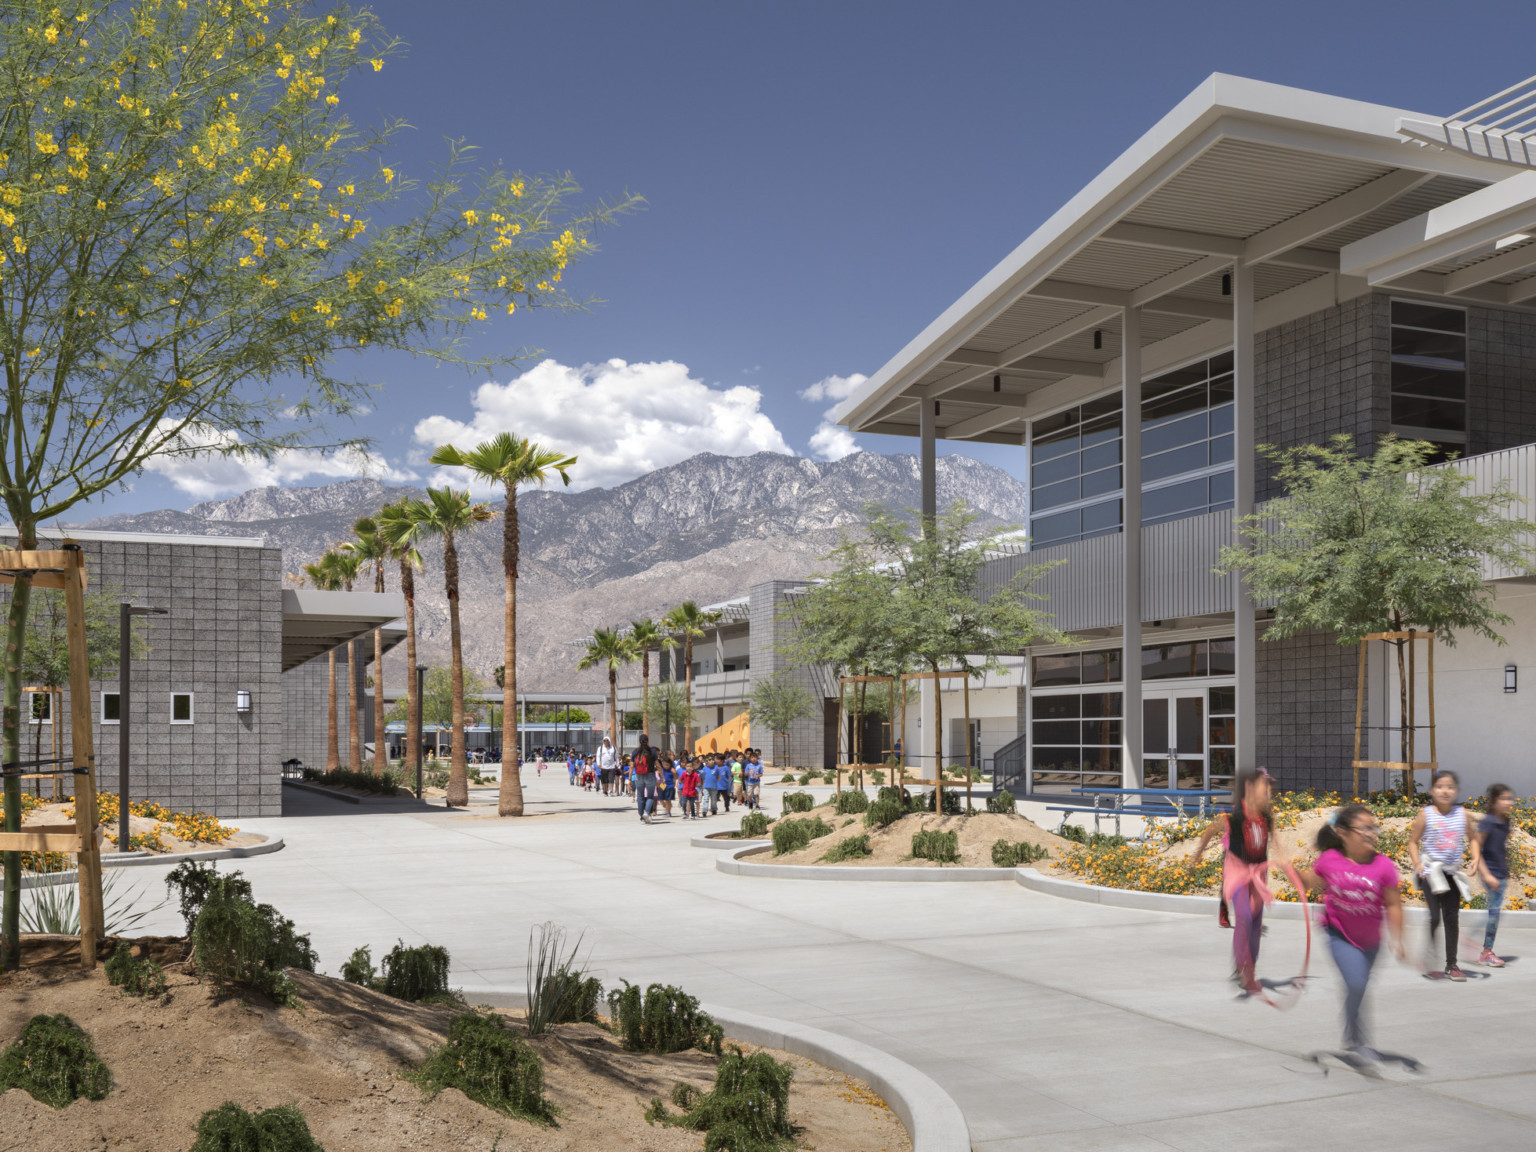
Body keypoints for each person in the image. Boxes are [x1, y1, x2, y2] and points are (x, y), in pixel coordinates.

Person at [1290, 804, 1405, 1065]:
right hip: (1338, 934)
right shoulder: (1330, 860)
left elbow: (1394, 904)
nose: (1371, 833)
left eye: (1373, 828)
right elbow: (1309, 882)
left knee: (1359, 986)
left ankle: (1351, 1032)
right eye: (1363, 828)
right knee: (1356, 983)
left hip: (1372, 940)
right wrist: (1293, 872)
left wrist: (1398, 938)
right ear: (1343, 833)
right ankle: (1360, 1040)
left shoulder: (1384, 866)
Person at [1186, 766, 1276, 994]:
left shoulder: (1267, 817)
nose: (1268, 795)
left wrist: (1283, 856)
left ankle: (1249, 968)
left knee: (1255, 924)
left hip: (1258, 876)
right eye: (1264, 789)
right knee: (1244, 917)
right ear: (1249, 789)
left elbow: (1275, 840)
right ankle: (1243, 969)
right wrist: (1195, 858)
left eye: (1270, 791)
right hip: (1237, 875)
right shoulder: (1236, 817)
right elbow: (1209, 832)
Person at [1408, 769, 1481, 981]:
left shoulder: (1462, 814)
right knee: (1434, 917)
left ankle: (1452, 964)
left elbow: (1474, 838)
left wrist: (1475, 858)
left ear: (1456, 791)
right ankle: (1430, 956)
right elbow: (1413, 841)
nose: (1445, 791)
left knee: (1451, 918)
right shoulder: (1426, 814)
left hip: (1451, 874)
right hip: (1429, 873)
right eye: (1440, 786)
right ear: (1432, 790)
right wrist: (1417, 863)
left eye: (1450, 787)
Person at [1476, 783, 1514, 967]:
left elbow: (1499, 847)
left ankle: (1483, 947)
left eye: (1510, 798)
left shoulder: (1505, 821)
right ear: (1494, 801)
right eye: (1504, 799)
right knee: (1494, 913)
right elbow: (1477, 846)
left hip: (1500, 873)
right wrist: (1486, 874)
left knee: (1494, 913)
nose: (1509, 802)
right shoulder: (1488, 821)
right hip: (1490, 872)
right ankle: (1486, 952)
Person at [633, 734, 659, 823]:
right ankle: (646, 812)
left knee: (640, 796)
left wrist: (629, 778)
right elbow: (657, 764)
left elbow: (632, 765)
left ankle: (641, 817)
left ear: (639, 741)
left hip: (638, 775)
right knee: (650, 796)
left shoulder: (636, 751)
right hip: (650, 775)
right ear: (647, 741)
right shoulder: (652, 751)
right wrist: (662, 776)